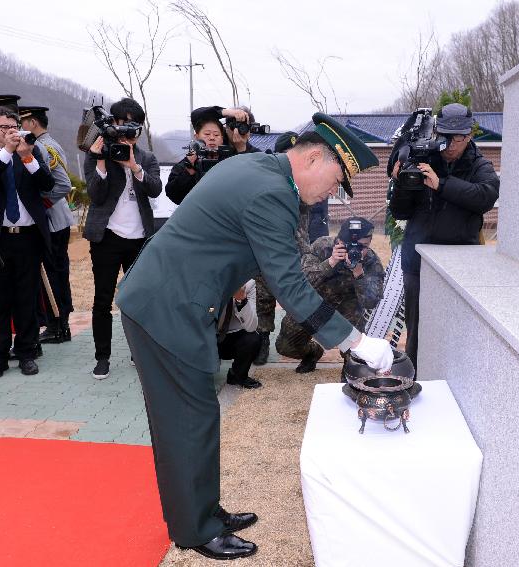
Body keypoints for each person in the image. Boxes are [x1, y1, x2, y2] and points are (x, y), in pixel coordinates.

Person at [117, 112, 393, 560]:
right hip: (167, 307)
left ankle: (204, 510)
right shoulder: (269, 192)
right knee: (187, 419)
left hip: (178, 300)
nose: (332, 195)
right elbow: (289, 284)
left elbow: (284, 259)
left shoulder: (259, 170)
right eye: (335, 180)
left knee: (198, 413)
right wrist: (356, 342)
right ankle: (195, 529)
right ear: (315, 157)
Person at [388, 103, 499, 367]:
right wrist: (402, 183)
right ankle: (414, 375)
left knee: (459, 327)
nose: (450, 144)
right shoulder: (423, 157)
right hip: (418, 261)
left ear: (469, 135)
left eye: (458, 137)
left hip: (461, 262)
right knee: (417, 327)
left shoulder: (478, 164)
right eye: (445, 135)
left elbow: (486, 195)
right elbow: (401, 212)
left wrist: (442, 184)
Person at [0, 103, 55, 379]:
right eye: (4, 127)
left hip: (28, 237)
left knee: (27, 297)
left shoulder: (29, 149)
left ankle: (27, 352)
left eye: (13, 127)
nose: (10, 132)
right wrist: (7, 151)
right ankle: (0, 354)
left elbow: (47, 184)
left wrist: (28, 157)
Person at [83, 97, 162, 380]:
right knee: (102, 299)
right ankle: (101, 357)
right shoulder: (96, 154)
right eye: (122, 124)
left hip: (139, 238)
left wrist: (133, 166)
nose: (127, 130)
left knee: (139, 298)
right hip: (106, 237)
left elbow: (155, 190)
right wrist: (102, 161)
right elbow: (95, 195)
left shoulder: (147, 158)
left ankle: (138, 352)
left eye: (134, 126)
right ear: (112, 125)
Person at [276, 217, 384, 373]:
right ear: (338, 241)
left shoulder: (371, 261)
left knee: (357, 355)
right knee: (285, 345)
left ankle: (350, 367)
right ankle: (312, 353)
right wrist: (330, 262)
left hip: (348, 311)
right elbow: (301, 283)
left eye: (363, 246)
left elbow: (371, 303)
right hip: (315, 305)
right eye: (350, 245)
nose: (357, 251)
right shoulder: (322, 247)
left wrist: (359, 274)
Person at [252, 131, 311, 366]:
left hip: (295, 246)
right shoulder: (265, 177)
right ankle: (263, 338)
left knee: (296, 297)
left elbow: (304, 222)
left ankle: (302, 343)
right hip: (266, 247)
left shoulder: (304, 181)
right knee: (263, 296)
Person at [19, 105, 75, 344]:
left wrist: (37, 205)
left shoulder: (45, 147)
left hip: (51, 221)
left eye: (21, 123)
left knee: (54, 275)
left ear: (31, 123)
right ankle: (59, 325)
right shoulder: (47, 143)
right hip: (54, 220)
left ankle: (58, 325)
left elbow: (61, 186)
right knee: (56, 273)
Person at [166, 105, 260, 205]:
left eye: (243, 127)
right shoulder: (197, 156)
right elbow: (174, 195)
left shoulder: (256, 156)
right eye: (234, 126)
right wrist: (228, 112)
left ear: (250, 130)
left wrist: (242, 149)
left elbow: (252, 187)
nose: (237, 131)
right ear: (226, 129)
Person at [216, 280, 261, 389]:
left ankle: (237, 375)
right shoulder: (211, 281)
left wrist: (242, 300)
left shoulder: (249, 284)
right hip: (208, 335)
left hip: (234, 337)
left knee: (253, 339)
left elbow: (251, 326)